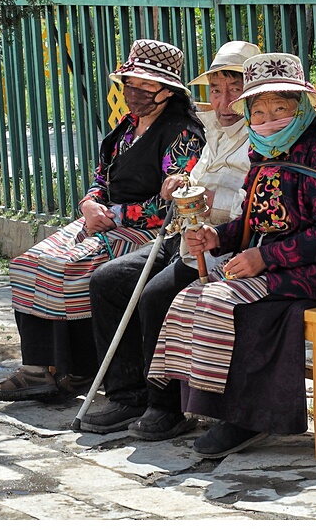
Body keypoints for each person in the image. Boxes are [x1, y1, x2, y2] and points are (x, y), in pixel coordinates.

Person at [147, 52, 316, 458]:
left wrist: (265, 260)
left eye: (281, 108)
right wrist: (217, 236)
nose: (270, 120)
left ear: (300, 107)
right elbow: (256, 220)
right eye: (260, 110)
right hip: (283, 263)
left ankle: (247, 419)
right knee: (190, 299)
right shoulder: (263, 151)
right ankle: (210, 409)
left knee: (230, 304)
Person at [0, 39, 205, 402]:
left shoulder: (182, 134)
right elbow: (102, 178)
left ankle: (76, 369)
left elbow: (174, 203)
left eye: (147, 85)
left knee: (67, 267)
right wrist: (89, 203)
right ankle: (40, 368)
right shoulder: (126, 128)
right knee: (29, 263)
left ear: (167, 91)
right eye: (131, 83)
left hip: (146, 230)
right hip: (100, 219)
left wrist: (117, 214)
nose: (136, 91)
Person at [78, 41, 261, 436]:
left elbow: (258, 199)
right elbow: (194, 182)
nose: (224, 100)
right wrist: (182, 183)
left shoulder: (259, 131)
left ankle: (167, 407)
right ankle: (128, 397)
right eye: (216, 90)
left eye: (235, 89)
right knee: (108, 281)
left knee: (155, 294)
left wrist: (210, 198)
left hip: (223, 245)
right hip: (183, 238)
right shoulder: (212, 127)